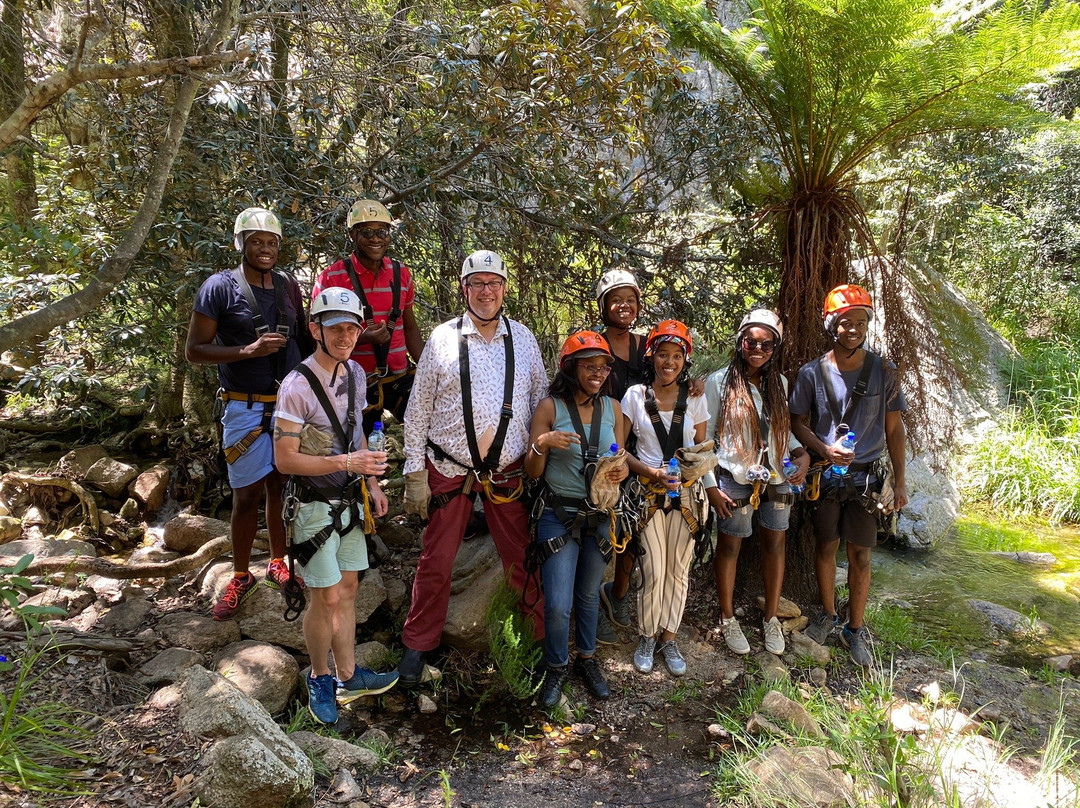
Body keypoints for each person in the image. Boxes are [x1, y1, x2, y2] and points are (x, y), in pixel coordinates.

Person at [398, 250, 547, 686]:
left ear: (504, 289)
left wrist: (542, 459)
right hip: (449, 468)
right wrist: (414, 473)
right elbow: (418, 409)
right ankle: (417, 644)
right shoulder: (442, 340)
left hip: (507, 472)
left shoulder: (523, 339)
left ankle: (535, 641)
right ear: (463, 289)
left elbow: (541, 401)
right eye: (477, 283)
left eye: (493, 283)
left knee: (522, 556)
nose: (486, 291)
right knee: (436, 560)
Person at [272, 287, 399, 724]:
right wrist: (347, 462)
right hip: (312, 506)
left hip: (348, 500)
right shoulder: (295, 387)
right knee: (324, 598)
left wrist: (371, 482)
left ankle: (348, 675)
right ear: (315, 331)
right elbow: (283, 459)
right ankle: (320, 677)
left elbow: (356, 433)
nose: (345, 336)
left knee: (348, 590)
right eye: (335, 329)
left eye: (352, 328)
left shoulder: (356, 374)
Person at [186, 207, 308, 620]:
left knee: (281, 486)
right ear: (240, 243)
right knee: (246, 494)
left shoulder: (289, 286)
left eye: (271, 242)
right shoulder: (218, 288)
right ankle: (240, 574)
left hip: (288, 407)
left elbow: (306, 342)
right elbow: (194, 350)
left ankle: (278, 562)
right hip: (244, 405)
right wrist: (247, 350)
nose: (265, 249)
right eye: (256, 241)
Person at [789, 284, 909, 667]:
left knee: (860, 556)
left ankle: (854, 630)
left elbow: (894, 430)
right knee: (825, 546)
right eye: (845, 322)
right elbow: (797, 422)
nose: (853, 329)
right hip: (825, 476)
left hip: (867, 480)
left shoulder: (883, 371)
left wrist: (901, 482)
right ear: (832, 325)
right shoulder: (811, 373)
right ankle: (828, 613)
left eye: (860, 322)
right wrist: (823, 450)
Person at [525, 332, 629, 707]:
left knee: (587, 595)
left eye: (602, 368)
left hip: (598, 516)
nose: (597, 374)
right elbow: (533, 471)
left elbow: (619, 457)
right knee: (557, 603)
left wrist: (620, 472)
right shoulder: (550, 409)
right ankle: (556, 666)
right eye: (589, 367)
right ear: (571, 368)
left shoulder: (613, 410)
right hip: (558, 515)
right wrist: (543, 443)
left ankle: (587, 659)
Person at [704, 309, 809, 656]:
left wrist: (801, 454)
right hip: (734, 475)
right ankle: (728, 616)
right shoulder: (718, 383)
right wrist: (710, 484)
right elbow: (705, 437)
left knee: (775, 544)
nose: (758, 348)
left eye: (766, 343)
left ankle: (770, 619)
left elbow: (783, 431)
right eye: (752, 341)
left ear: (774, 348)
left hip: (776, 476)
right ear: (740, 341)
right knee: (730, 545)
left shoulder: (779, 384)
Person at [621, 320, 719, 677]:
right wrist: (650, 473)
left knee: (678, 573)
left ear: (685, 360)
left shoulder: (695, 397)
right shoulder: (635, 396)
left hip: (687, 494)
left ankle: (669, 636)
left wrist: (709, 487)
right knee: (653, 569)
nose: (670, 362)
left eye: (677, 356)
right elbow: (619, 448)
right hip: (648, 492)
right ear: (652, 356)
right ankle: (647, 636)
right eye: (663, 354)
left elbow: (701, 451)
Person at [312, 199, 424, 435]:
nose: (375, 238)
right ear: (352, 235)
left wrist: (428, 370)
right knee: (357, 451)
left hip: (399, 377)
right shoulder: (332, 279)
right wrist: (360, 339)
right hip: (353, 382)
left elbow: (410, 328)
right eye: (367, 232)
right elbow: (316, 336)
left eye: (382, 231)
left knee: (429, 432)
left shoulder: (400, 273)